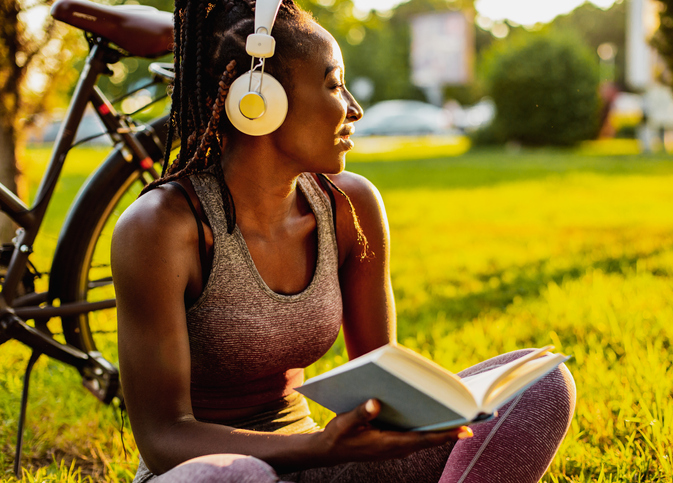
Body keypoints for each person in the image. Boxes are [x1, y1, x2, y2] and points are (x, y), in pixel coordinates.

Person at [110, 0, 577, 481]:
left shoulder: (349, 206)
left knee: (541, 384)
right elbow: (165, 438)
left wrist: (433, 415)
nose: (353, 108)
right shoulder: (162, 227)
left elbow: (383, 378)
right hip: (212, 472)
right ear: (260, 97)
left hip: (318, 462)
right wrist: (321, 447)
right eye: (334, 84)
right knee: (229, 476)